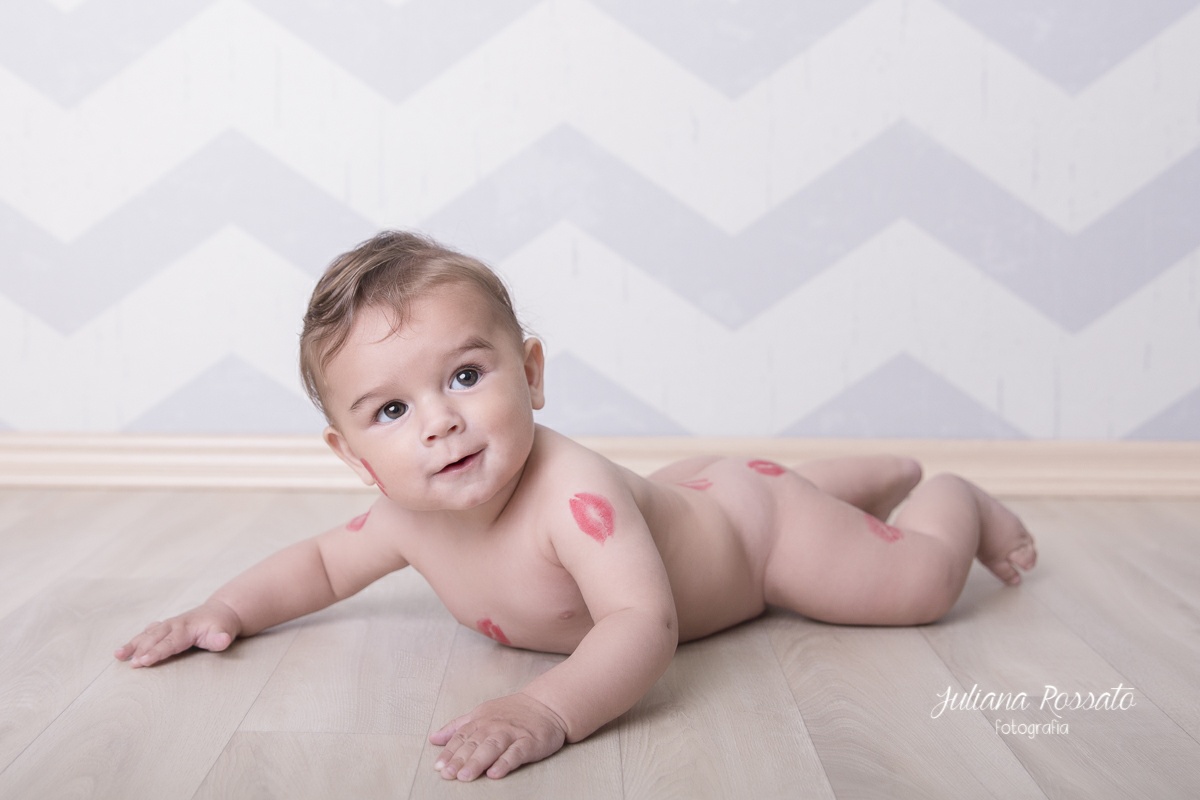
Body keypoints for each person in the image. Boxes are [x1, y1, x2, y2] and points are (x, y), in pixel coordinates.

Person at [115, 231, 1037, 782]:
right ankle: (867, 478)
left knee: (908, 582)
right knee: (744, 484)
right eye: (391, 410)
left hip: (761, 541)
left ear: (534, 373)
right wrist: (221, 610)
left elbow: (643, 621)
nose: (439, 422)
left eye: (466, 375)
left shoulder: (576, 492)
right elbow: (317, 565)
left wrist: (544, 711)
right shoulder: (409, 515)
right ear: (352, 455)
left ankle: (949, 498)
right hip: (706, 490)